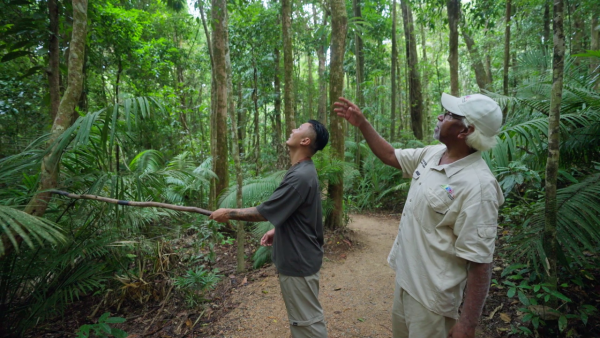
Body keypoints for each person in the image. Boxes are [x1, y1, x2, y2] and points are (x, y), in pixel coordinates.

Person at [334, 93, 504, 338]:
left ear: (466, 131)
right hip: (406, 281)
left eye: (448, 115)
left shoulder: (478, 185)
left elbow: (480, 261)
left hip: (432, 300)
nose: (439, 116)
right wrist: (362, 123)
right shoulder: (433, 155)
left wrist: (467, 324)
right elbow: (392, 156)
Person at [210, 119, 330, 338]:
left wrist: (228, 213)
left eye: (298, 129)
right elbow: (301, 211)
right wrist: (280, 229)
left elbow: (263, 212)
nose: (293, 129)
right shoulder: (301, 171)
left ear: (305, 140)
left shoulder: (300, 176)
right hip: (299, 256)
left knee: (307, 323)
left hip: (299, 261)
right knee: (302, 321)